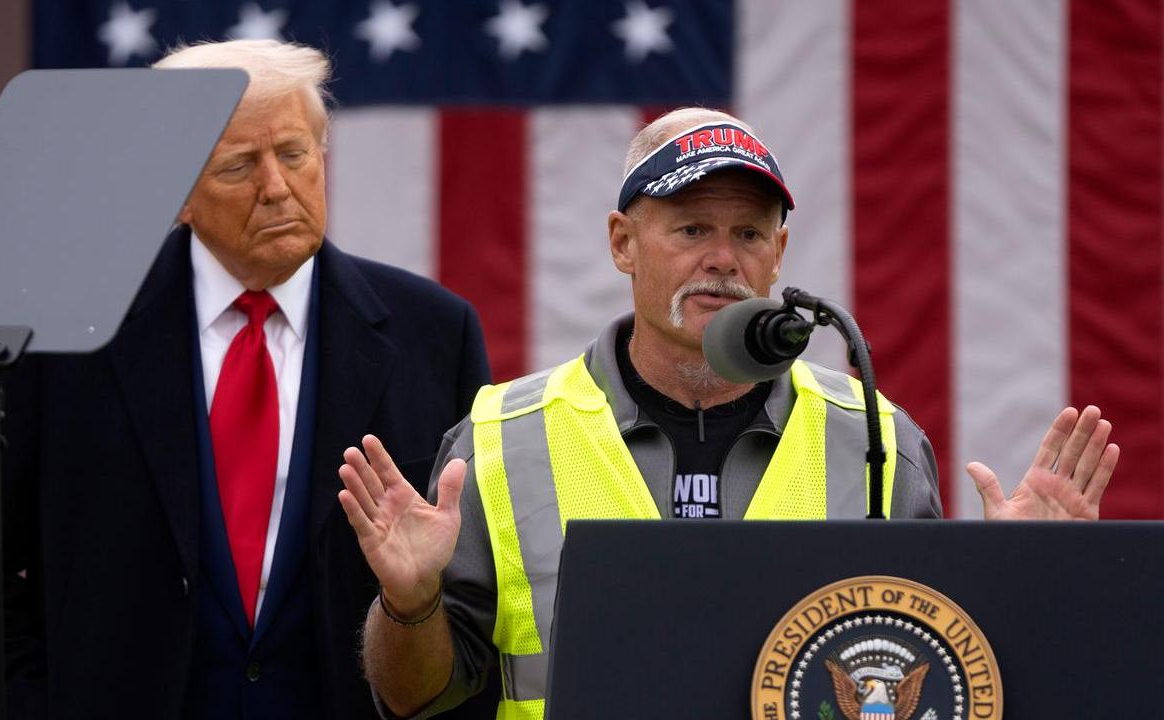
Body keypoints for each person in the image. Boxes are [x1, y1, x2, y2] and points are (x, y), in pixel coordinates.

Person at [335, 107, 1120, 720]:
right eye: (692, 229)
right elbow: (416, 699)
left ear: (779, 253)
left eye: (749, 232)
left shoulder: (875, 439)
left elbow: (923, 676)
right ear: (622, 242)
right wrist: (410, 605)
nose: (723, 256)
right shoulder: (502, 440)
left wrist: (1030, 579)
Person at [0, 39, 500, 719]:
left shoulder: (433, 332)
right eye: (239, 165)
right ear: (176, 193)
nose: (276, 187)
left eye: (293, 153)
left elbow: (474, 595)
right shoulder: (60, 335)